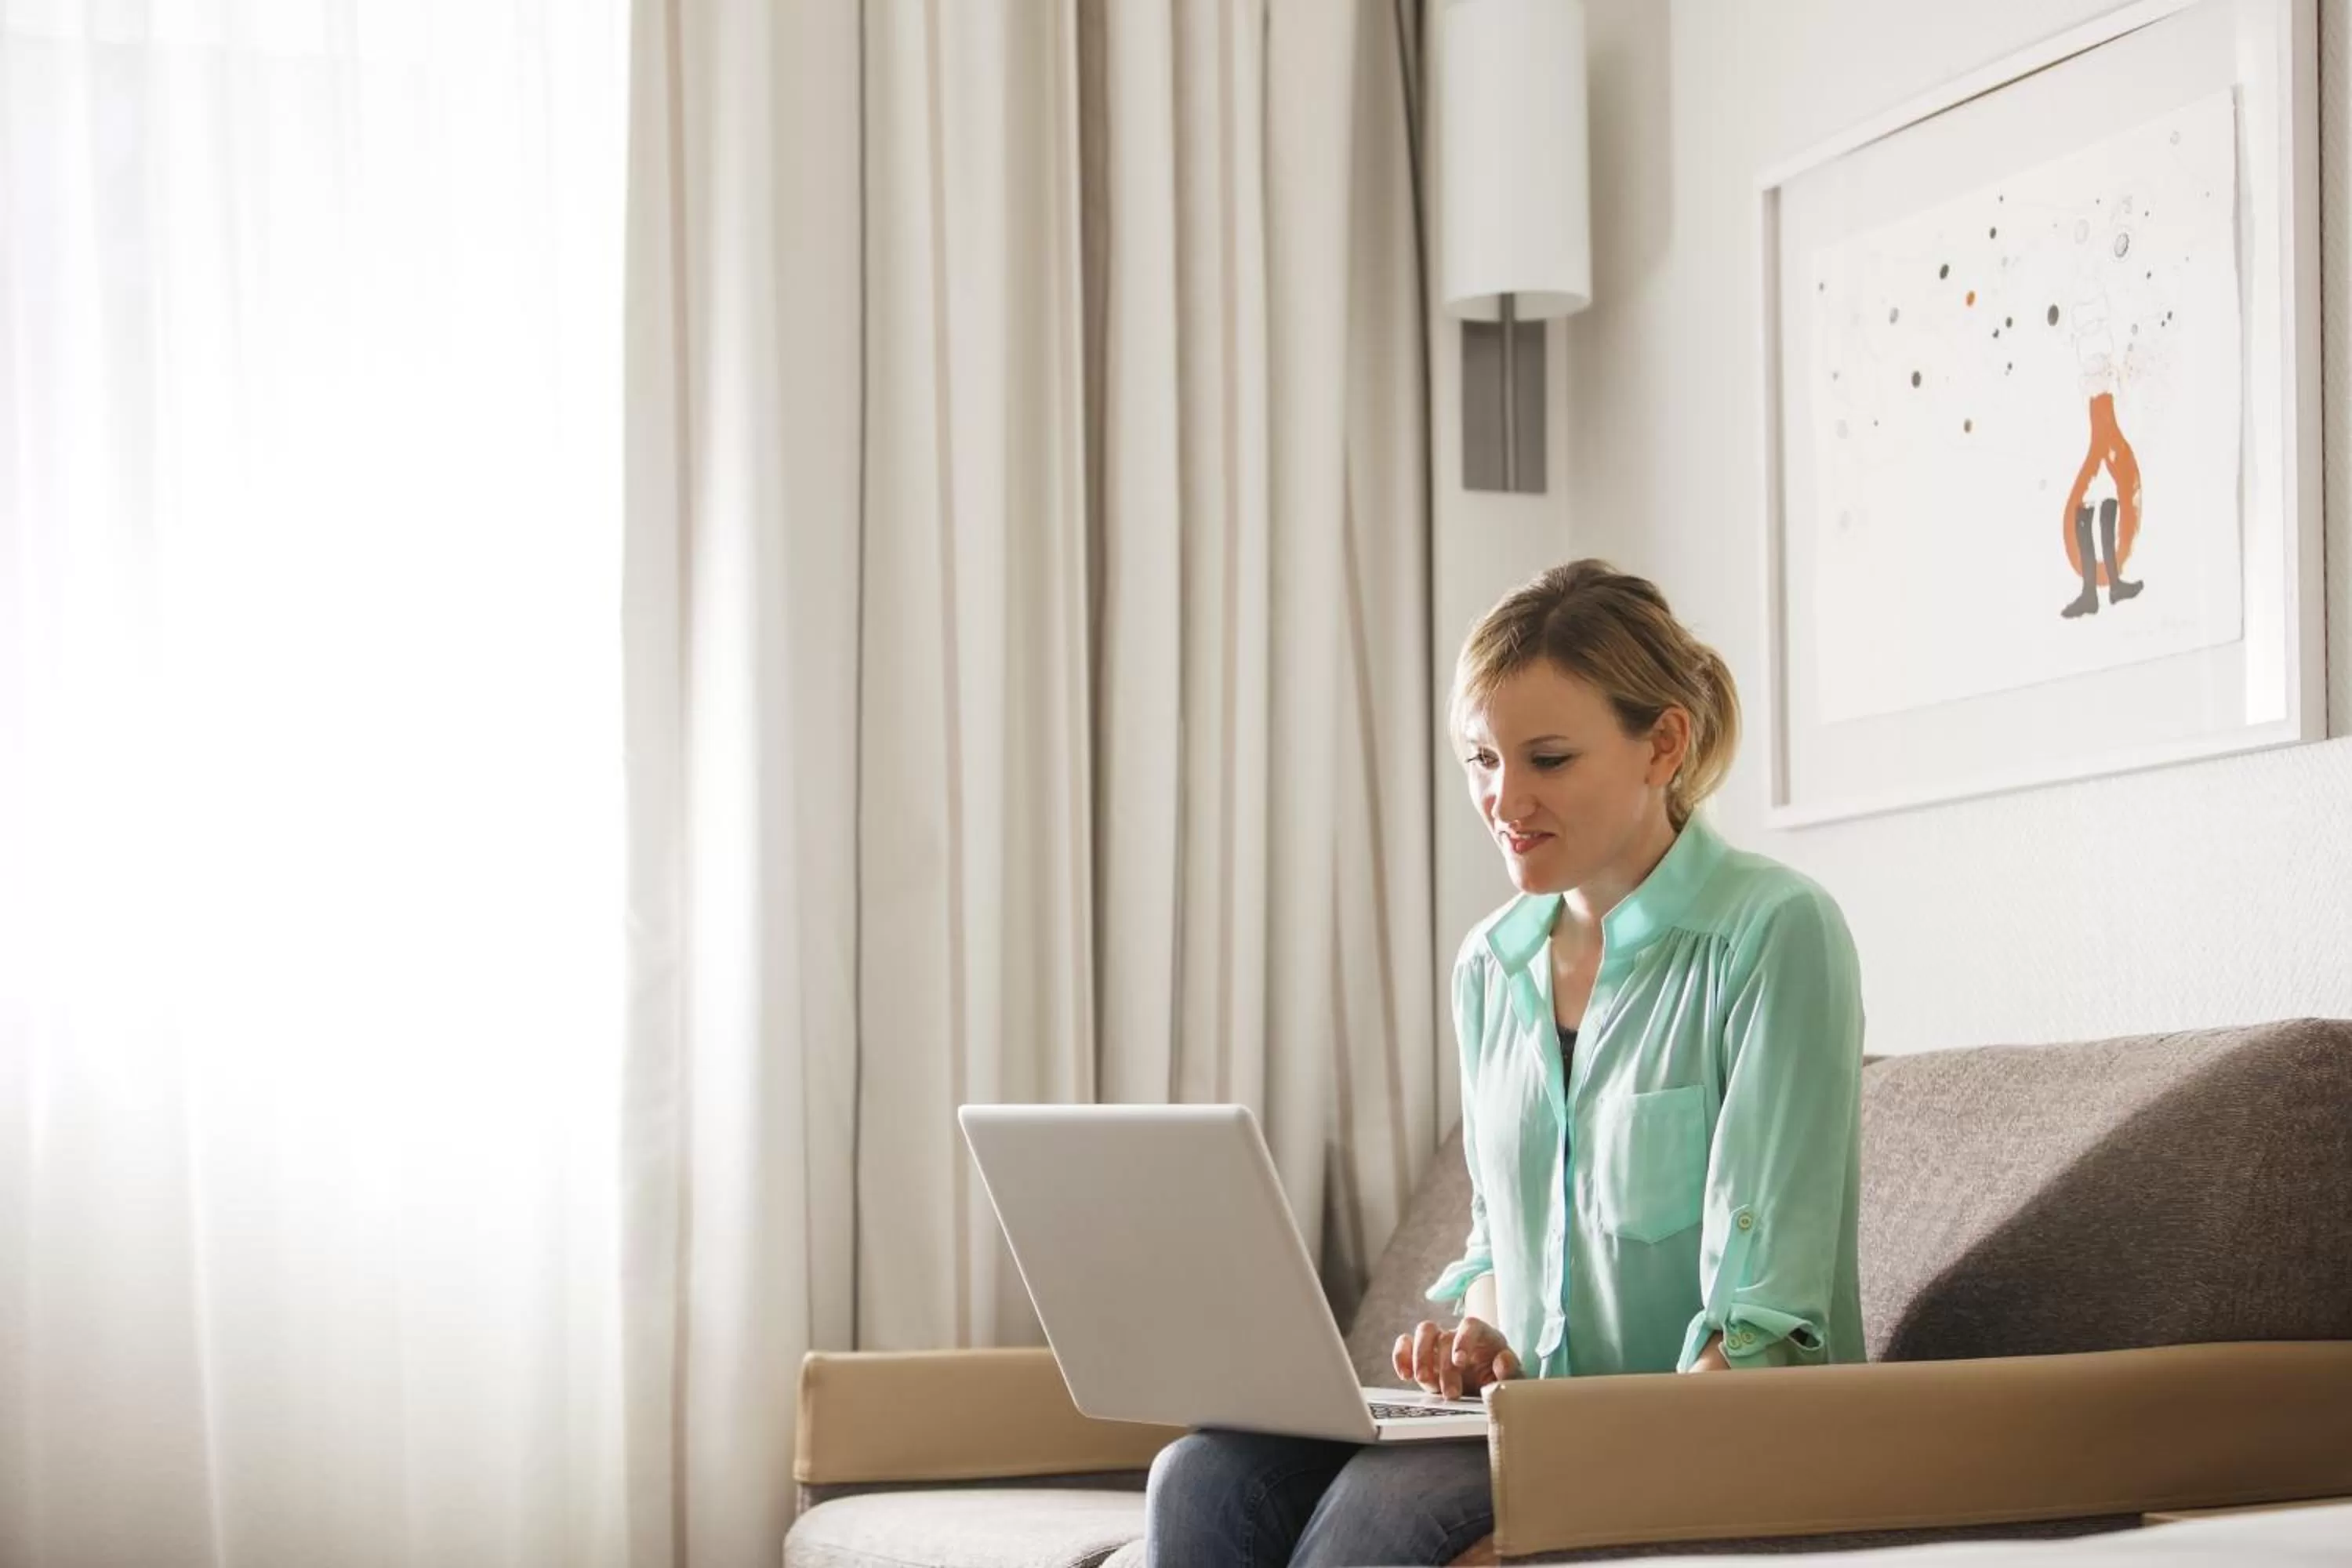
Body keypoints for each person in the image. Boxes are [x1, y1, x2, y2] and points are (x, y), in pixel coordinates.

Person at [1143, 560, 1867, 1567]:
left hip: (1710, 1432)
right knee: (1203, 1473)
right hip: (1521, 1425)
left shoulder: (1773, 932)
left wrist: (1606, 1469)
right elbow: (1499, 1247)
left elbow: (1763, 1322)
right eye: (1482, 758)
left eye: (1548, 759)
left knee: (1381, 1510)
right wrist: (1482, 1344)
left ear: (1664, 743)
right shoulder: (1490, 964)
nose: (1503, 799)